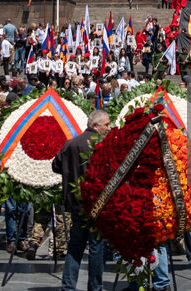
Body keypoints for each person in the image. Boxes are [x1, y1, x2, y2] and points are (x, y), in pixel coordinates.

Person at [54, 110, 111, 291]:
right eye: (106, 124)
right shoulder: (102, 145)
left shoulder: (71, 143)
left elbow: (55, 165)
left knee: (75, 246)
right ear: (95, 126)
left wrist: (70, 171)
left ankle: (68, 287)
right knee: (96, 248)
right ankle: (95, 287)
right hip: (97, 205)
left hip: (76, 204)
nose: (109, 128)